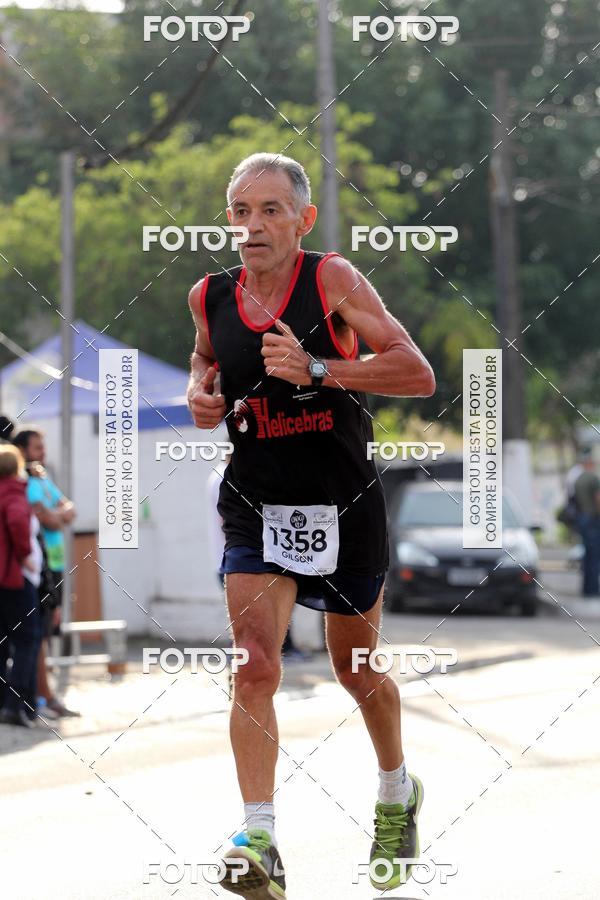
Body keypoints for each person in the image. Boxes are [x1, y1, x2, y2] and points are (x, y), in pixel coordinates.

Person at [187, 153, 435, 897]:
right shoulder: (209, 295)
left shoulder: (332, 280)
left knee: (354, 670)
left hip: (343, 500)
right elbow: (205, 363)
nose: (253, 224)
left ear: (303, 219)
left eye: (270, 209)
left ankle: (397, 792)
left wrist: (320, 370)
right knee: (254, 663)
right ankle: (257, 835)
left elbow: (416, 372)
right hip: (256, 499)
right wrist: (203, 395)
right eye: (241, 210)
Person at [12, 429, 79, 717]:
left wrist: (59, 514)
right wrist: (58, 515)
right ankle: (42, 696)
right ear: (23, 450)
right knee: (37, 633)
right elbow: (51, 520)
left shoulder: (42, 476)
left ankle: (43, 692)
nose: (43, 452)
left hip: (56, 562)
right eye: (37, 447)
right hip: (41, 566)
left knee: (49, 629)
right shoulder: (26, 481)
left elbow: (68, 509)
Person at [0, 445, 43, 727]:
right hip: (13, 578)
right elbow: (16, 520)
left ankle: (7, 703)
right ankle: (17, 705)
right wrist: (25, 554)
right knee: (28, 638)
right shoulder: (14, 490)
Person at [574, 454, 600, 597]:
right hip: (592, 520)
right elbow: (598, 498)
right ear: (590, 463)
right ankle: (594, 589)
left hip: (582, 519)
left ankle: (586, 588)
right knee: (595, 555)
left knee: (587, 554)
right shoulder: (593, 478)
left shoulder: (578, 480)